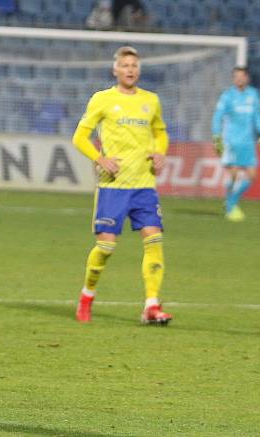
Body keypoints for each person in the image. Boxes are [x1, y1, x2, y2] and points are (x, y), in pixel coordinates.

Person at [71, 46, 172, 325]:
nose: (130, 69)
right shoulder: (102, 99)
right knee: (105, 248)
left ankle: (151, 305)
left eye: (134, 65)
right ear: (115, 69)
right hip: (113, 186)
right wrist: (99, 158)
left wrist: (161, 151)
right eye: (125, 65)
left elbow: (160, 133)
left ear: (139, 70)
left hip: (144, 185)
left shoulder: (151, 101)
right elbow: (79, 137)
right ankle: (86, 296)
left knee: (154, 240)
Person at [211, 66, 260, 222]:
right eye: (235, 76)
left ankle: (230, 202)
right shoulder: (228, 96)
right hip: (231, 141)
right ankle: (230, 208)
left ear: (247, 78)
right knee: (234, 174)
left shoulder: (253, 95)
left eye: (241, 76)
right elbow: (217, 117)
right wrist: (217, 137)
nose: (238, 79)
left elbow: (257, 116)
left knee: (252, 175)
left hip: (248, 142)